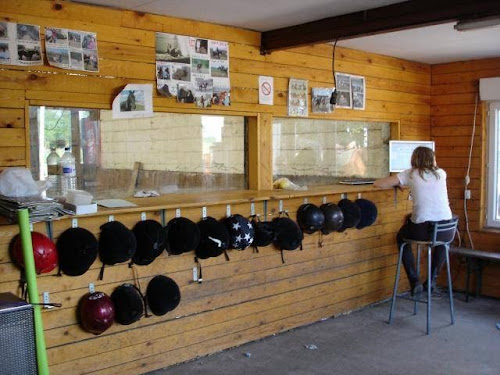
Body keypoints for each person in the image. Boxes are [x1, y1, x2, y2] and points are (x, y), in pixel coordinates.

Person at [374, 146, 454, 296]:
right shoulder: (441, 174)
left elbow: (379, 183)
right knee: (444, 243)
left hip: (422, 230)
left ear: (414, 159)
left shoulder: (410, 174)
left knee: (401, 238)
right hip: (447, 228)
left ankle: (414, 280)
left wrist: (399, 182)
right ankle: (431, 280)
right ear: (432, 158)